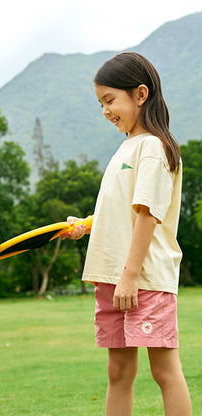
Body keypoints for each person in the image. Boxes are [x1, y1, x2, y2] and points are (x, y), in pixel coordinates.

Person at [65, 52, 192, 415]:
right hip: (114, 278)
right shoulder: (127, 147)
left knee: (164, 371)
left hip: (143, 278)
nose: (106, 110)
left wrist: (130, 276)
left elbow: (149, 214)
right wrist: (86, 225)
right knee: (118, 370)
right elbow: (123, 209)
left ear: (140, 94)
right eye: (101, 103)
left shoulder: (152, 146)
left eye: (110, 100)